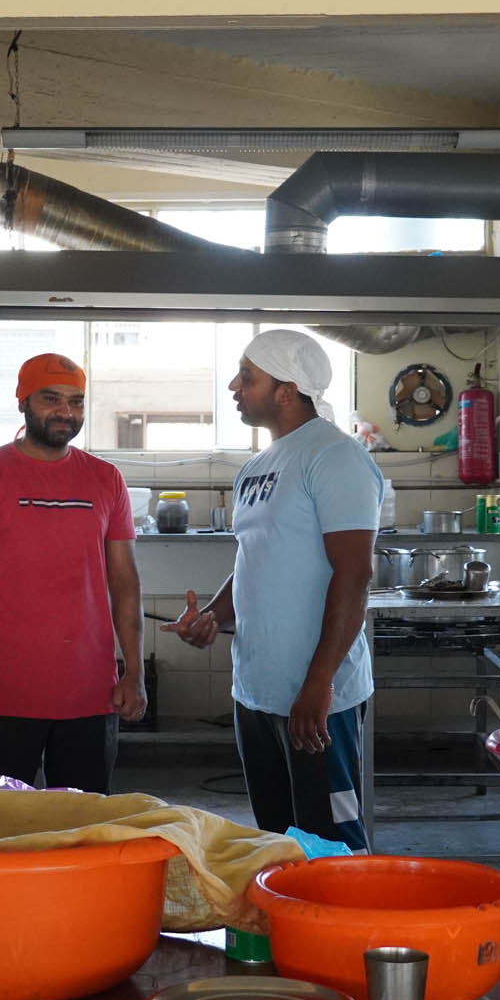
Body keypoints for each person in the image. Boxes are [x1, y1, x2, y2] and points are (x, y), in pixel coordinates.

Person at [165, 330, 383, 849]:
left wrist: (320, 683)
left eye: (248, 376)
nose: (234, 386)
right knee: (277, 841)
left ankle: (344, 909)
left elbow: (354, 575)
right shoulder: (257, 467)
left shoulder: (335, 456)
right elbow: (255, 557)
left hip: (316, 695)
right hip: (256, 690)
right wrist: (214, 615)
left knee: (330, 844)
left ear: (287, 390)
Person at [0, 353, 145, 792]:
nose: (65, 412)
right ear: (23, 402)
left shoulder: (106, 479)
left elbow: (125, 584)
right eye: (51, 399)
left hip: (91, 693)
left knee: (85, 821)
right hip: (3, 694)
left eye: (76, 401)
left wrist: (134, 673)